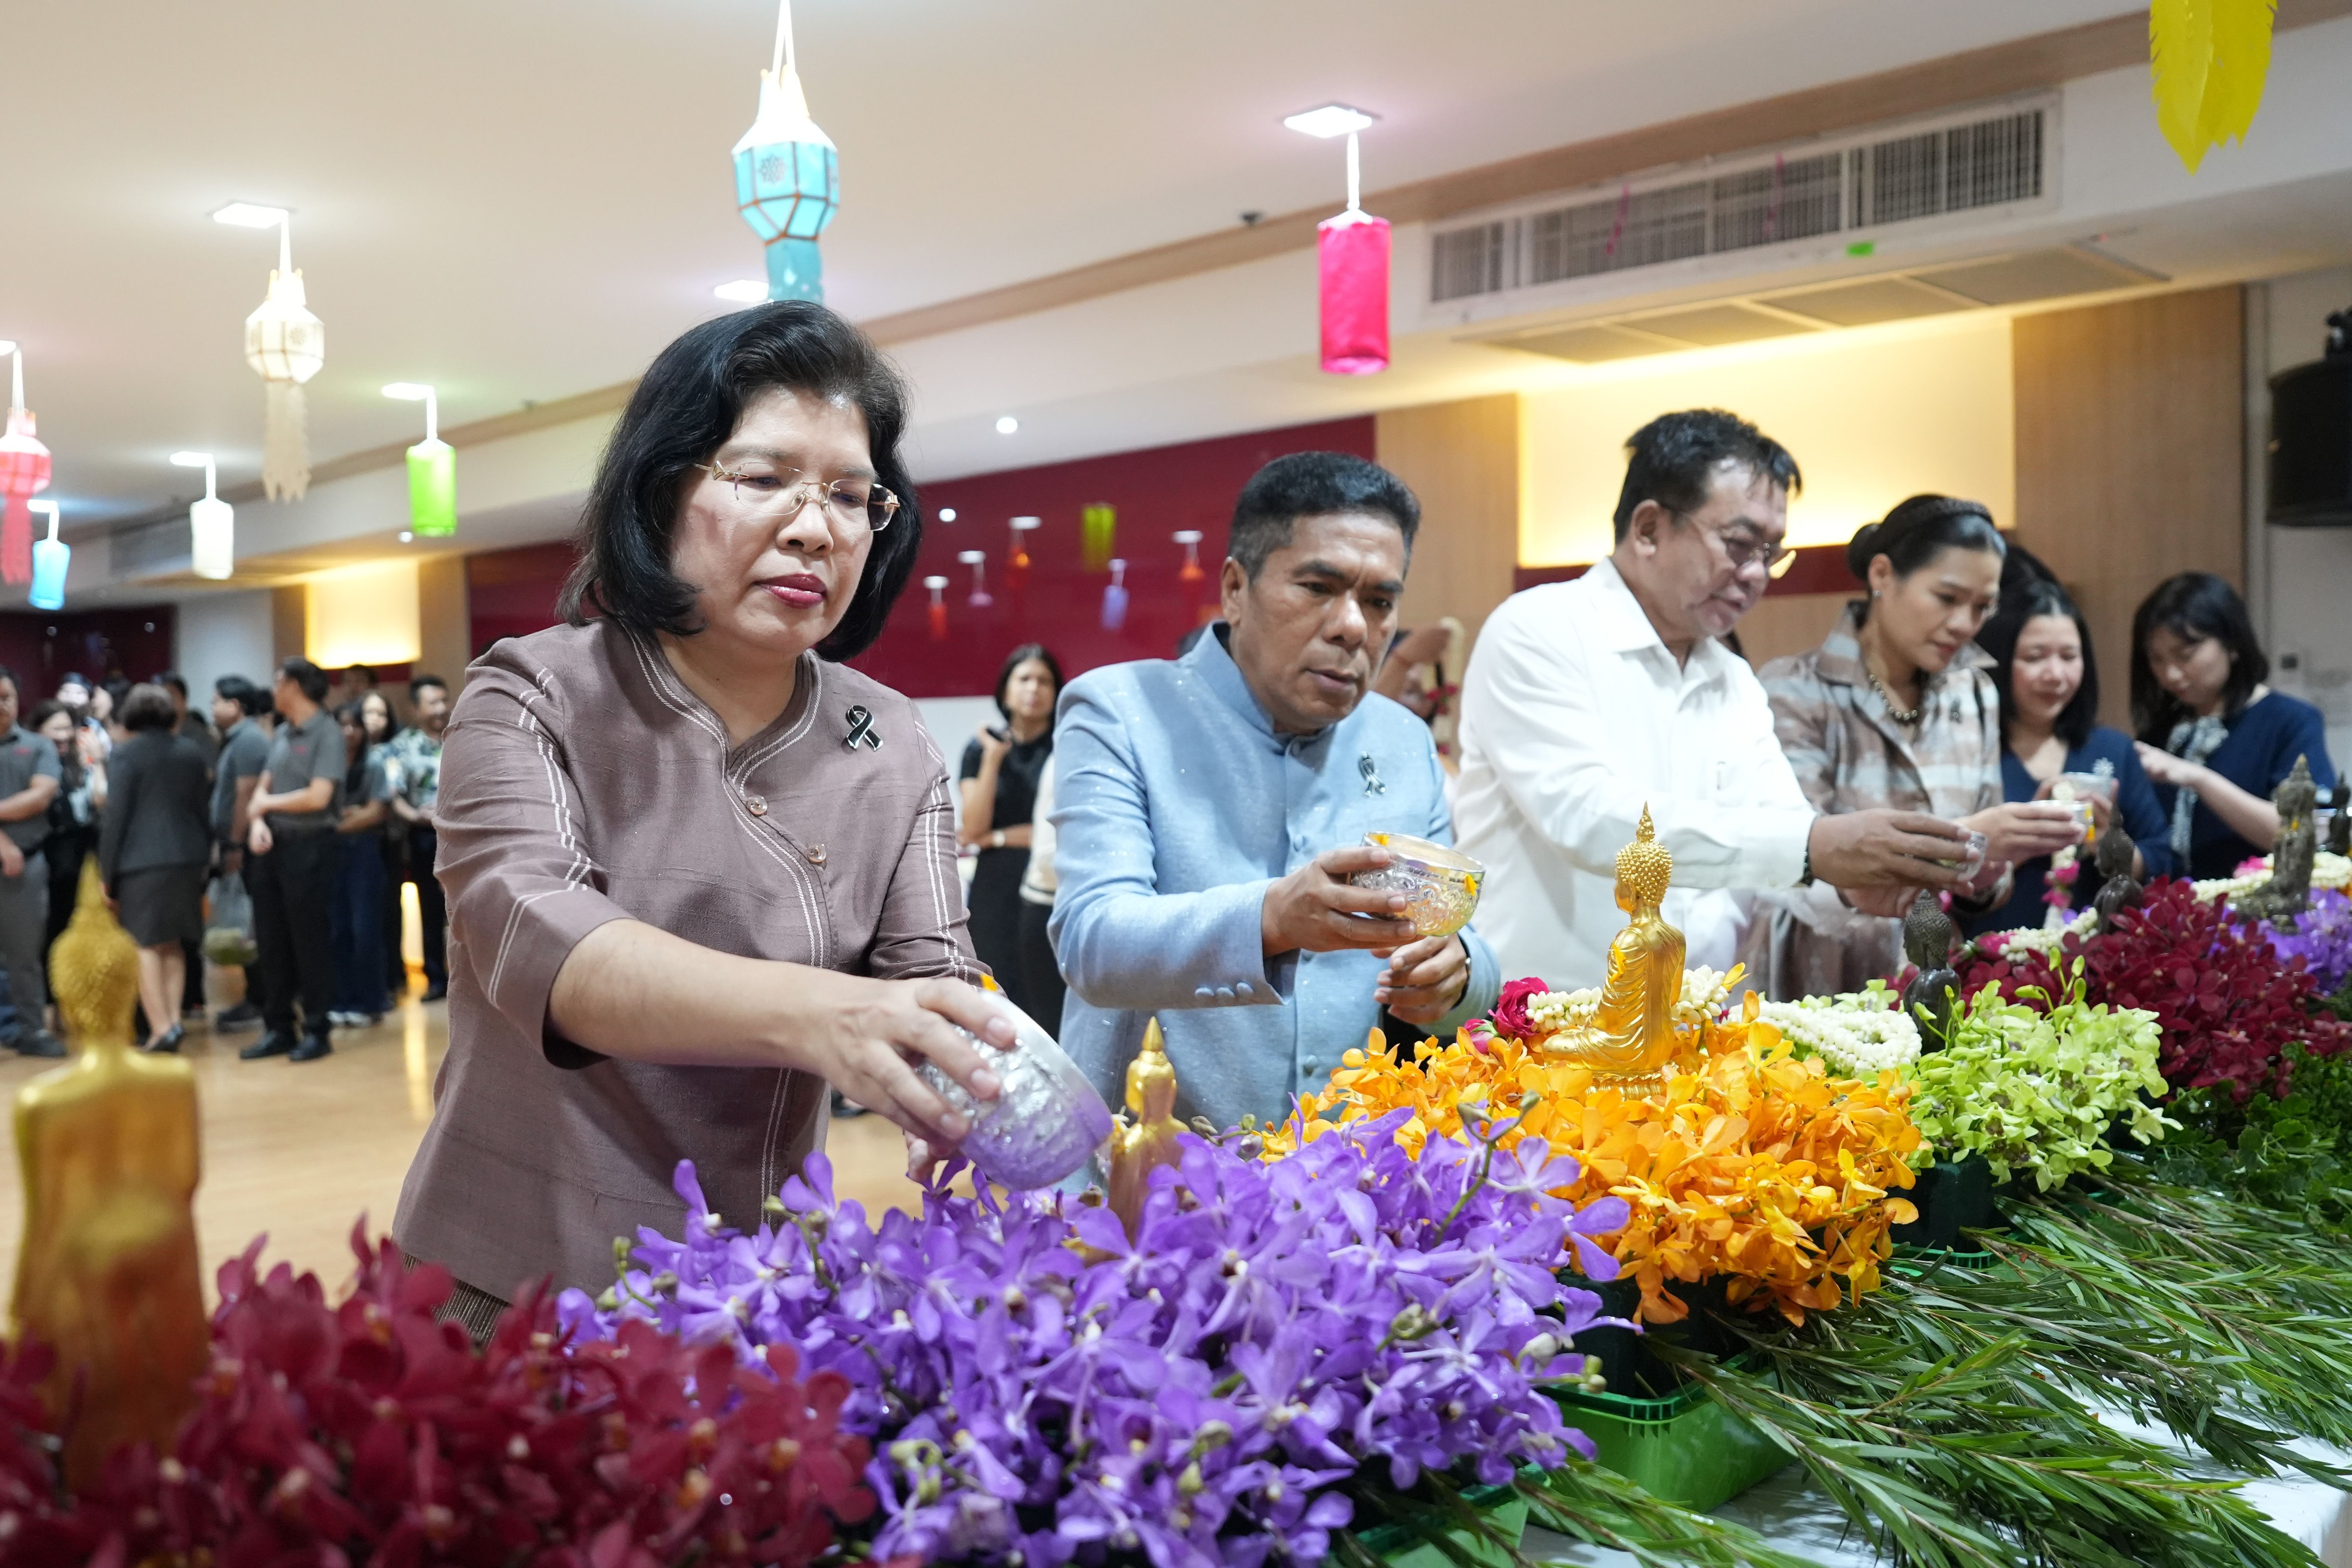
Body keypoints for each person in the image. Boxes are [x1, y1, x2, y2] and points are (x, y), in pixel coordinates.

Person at [393, 300, 1010, 1331]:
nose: (814, 528)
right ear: (660, 488)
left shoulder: (891, 738)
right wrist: (832, 1016)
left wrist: (971, 1068)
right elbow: (550, 946)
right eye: (763, 479)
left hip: (759, 1289)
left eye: (850, 496)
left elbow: (932, 970)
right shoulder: (531, 694)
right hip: (516, 1286)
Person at [1051, 451, 1502, 1135]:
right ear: (1236, 588)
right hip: (1149, 1172)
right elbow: (1093, 942)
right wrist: (1272, 917)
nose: (1353, 626)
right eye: (1318, 587)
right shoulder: (1121, 712)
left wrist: (1456, 973)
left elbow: (1458, 944)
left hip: (1343, 1170)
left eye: (1379, 601)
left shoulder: (1402, 740)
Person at [1454, 410, 1977, 992]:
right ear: (1648, 528)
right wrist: (1812, 848)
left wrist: (1848, 884)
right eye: (1738, 545)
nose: (1756, 574)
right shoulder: (1539, 629)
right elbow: (1586, 817)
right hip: (1544, 1019)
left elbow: (1780, 833)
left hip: (1700, 1021)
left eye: (1771, 554)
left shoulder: (1732, 678)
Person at [1753, 497, 2083, 997]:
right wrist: (1968, 837)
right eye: (1947, 598)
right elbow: (1793, 854)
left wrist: (2001, 854)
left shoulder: (1973, 691)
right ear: (1882, 574)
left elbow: (1984, 885)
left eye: (1982, 606)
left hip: (1934, 976)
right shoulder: (1796, 688)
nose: (1965, 624)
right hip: (1823, 974)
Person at [1959, 575, 2173, 937]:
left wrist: (2108, 845)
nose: (2056, 674)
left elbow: (2161, 859)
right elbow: (1939, 869)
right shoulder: (1968, 752)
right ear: (2001, 660)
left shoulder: (2113, 749)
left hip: (2097, 954)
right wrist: (2016, 844)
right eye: (2035, 657)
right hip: (1990, 954)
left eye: (2070, 657)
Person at [2131, 572, 2338, 879]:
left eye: (2185, 655)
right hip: (2175, 907)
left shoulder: (2290, 721)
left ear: (2232, 643)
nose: (2171, 675)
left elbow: (2307, 834)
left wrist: (2199, 778)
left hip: (2259, 905)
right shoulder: (2162, 734)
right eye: (2157, 660)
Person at [96, 684, 214, 1054]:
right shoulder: (191, 751)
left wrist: (106, 873)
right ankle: (174, 1021)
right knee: (173, 942)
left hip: (142, 861)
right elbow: (202, 809)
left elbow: (115, 817)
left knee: (143, 944)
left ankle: (160, 1029)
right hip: (188, 856)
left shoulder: (125, 754)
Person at [242, 657, 345, 1063]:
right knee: (271, 940)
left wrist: (266, 806)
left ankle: (317, 1029)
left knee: (309, 941)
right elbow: (262, 790)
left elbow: (319, 796)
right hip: (273, 846)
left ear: (294, 686)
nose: (273, 690)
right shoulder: (283, 732)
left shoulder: (327, 732)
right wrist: (257, 822)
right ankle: (279, 1027)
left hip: (310, 845)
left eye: (277, 682)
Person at [958, 644, 1061, 1020]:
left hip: (1047, 883)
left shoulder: (1066, 747)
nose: (1034, 688)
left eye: (1045, 680)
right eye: (1025, 678)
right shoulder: (982, 747)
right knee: (993, 994)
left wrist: (997, 837)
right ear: (1005, 691)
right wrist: (993, 758)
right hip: (994, 886)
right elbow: (973, 829)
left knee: (1046, 998)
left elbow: (1056, 831)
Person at [0, 668, 64, 1057]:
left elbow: (40, 798)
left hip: (25, 866)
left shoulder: (38, 746)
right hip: (10, 853)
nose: (1, 704)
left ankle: (32, 1030)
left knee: (25, 956)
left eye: (6, 696)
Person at [29, 699, 104, 1017]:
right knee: (46, 931)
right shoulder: (31, 761)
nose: (63, 735)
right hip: (44, 854)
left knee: (75, 928)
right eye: (55, 729)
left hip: (83, 856)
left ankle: (76, 1001)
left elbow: (100, 801)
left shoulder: (81, 761)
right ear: (38, 731)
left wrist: (97, 762)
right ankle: (50, 1005)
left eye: (67, 728)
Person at [326, 701, 397, 1027]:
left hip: (365, 852)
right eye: (342, 725)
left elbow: (377, 811)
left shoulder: (374, 762)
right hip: (332, 854)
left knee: (365, 928)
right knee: (337, 928)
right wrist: (351, 817)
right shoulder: (326, 762)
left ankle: (371, 1001)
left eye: (354, 725)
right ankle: (342, 999)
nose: (349, 732)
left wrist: (337, 822)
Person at [209, 676, 273, 1030]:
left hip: (249, 845)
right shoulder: (238, 739)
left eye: (216, 701)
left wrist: (234, 844)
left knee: (254, 925)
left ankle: (261, 998)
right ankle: (255, 996)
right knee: (251, 924)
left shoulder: (248, 740)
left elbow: (245, 795)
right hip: (241, 844)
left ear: (235, 706)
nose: (212, 708)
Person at [384, 674, 451, 1001]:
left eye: (444, 700)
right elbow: (392, 794)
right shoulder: (402, 745)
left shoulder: (461, 735)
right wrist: (414, 816)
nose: (441, 708)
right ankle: (437, 978)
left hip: (463, 834)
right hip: (424, 835)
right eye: (433, 702)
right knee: (430, 908)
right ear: (415, 708)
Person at [358, 688, 408, 1000]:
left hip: (388, 840)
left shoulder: (394, 751)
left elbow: (393, 793)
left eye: (381, 713)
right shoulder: (348, 751)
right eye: (369, 713)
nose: (375, 719)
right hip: (356, 841)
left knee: (389, 909)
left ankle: (392, 975)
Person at [1016, 755, 1066, 1038]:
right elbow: (1047, 856)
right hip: (1048, 905)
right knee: (1052, 1031)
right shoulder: (1067, 752)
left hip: (1053, 902)